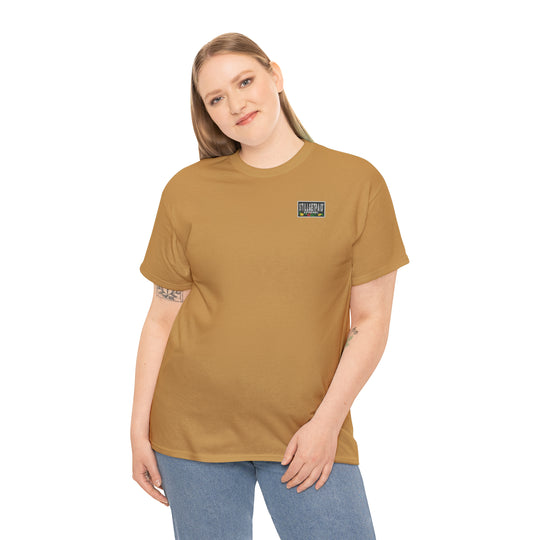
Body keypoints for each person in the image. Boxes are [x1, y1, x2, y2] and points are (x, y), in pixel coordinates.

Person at [130, 32, 410, 540]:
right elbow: (161, 320)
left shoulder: (356, 182)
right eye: (216, 98)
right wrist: (138, 430)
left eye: (245, 82)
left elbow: (371, 322)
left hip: (307, 432)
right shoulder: (187, 191)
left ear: (275, 76)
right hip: (191, 435)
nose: (236, 104)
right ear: (207, 113)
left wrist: (327, 424)